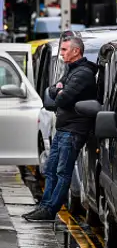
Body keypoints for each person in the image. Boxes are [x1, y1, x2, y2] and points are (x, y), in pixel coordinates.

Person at [23, 36, 98, 221]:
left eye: (65, 50)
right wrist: (59, 89)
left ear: (76, 51)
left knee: (62, 172)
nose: (62, 53)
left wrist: (60, 90)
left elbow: (61, 99)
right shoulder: (72, 70)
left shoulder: (83, 74)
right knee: (50, 168)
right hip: (63, 128)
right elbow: (52, 90)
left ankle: (51, 210)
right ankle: (45, 205)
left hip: (73, 130)